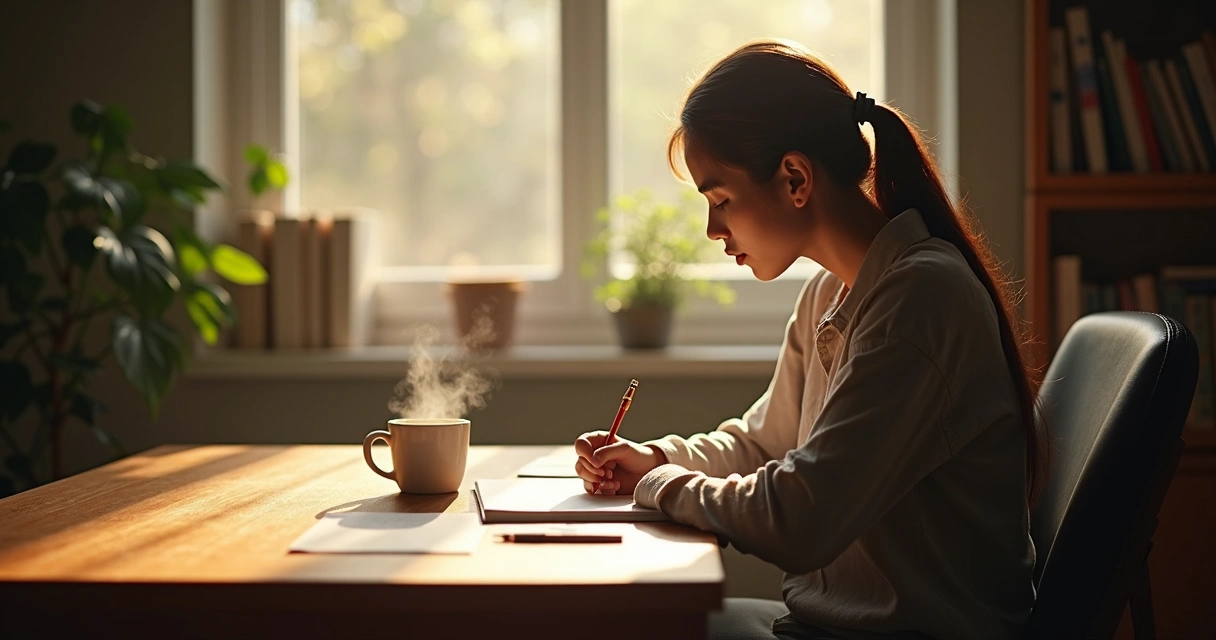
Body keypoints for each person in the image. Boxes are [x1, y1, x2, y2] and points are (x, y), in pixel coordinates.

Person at [574, 40, 1042, 640]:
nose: (713, 229)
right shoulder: (831, 292)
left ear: (795, 177)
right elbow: (766, 443)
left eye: (720, 200)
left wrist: (657, 487)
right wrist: (660, 458)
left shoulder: (921, 301)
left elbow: (803, 519)